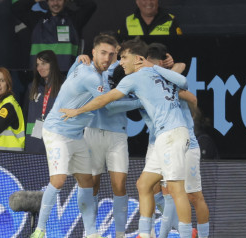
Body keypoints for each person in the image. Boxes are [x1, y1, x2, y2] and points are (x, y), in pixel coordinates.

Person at [59, 38, 194, 238]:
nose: (120, 62)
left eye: (123, 57)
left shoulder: (136, 78)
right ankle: (145, 234)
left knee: (175, 188)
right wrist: (153, 68)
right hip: (163, 137)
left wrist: (77, 111)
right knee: (143, 185)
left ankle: (185, 234)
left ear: (138, 59)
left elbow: (105, 99)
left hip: (172, 134)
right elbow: (182, 80)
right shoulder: (150, 73)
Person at [30, 34, 141, 238]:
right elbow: (109, 105)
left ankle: (91, 233)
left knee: (86, 182)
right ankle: (39, 230)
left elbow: (74, 73)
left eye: (111, 54)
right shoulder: (91, 77)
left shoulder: (83, 67)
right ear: (93, 52)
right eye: (103, 53)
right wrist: (139, 102)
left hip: (76, 135)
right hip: (57, 132)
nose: (107, 58)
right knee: (59, 180)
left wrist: (76, 60)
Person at [144, 43, 209, 238]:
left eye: (154, 65)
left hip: (186, 146)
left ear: (161, 65)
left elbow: (193, 98)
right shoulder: (146, 83)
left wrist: (172, 80)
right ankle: (179, 233)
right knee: (160, 191)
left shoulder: (172, 82)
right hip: (162, 145)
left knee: (194, 197)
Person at [12, 0, 97, 72]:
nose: (55, 3)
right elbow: (16, 8)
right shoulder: (36, 19)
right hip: (40, 76)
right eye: (52, 0)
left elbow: (90, 5)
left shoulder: (74, 19)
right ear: (47, 2)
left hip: (65, 76)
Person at [24, 50, 64, 154]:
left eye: (43, 64)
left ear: (53, 64)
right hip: (33, 143)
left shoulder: (64, 87)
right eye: (37, 65)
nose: (39, 68)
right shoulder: (32, 87)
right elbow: (25, 114)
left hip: (55, 142)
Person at [118, 0, 183, 39]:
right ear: (137, 1)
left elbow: (178, 47)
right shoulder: (127, 22)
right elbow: (119, 49)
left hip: (161, 61)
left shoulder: (170, 20)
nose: (149, 2)